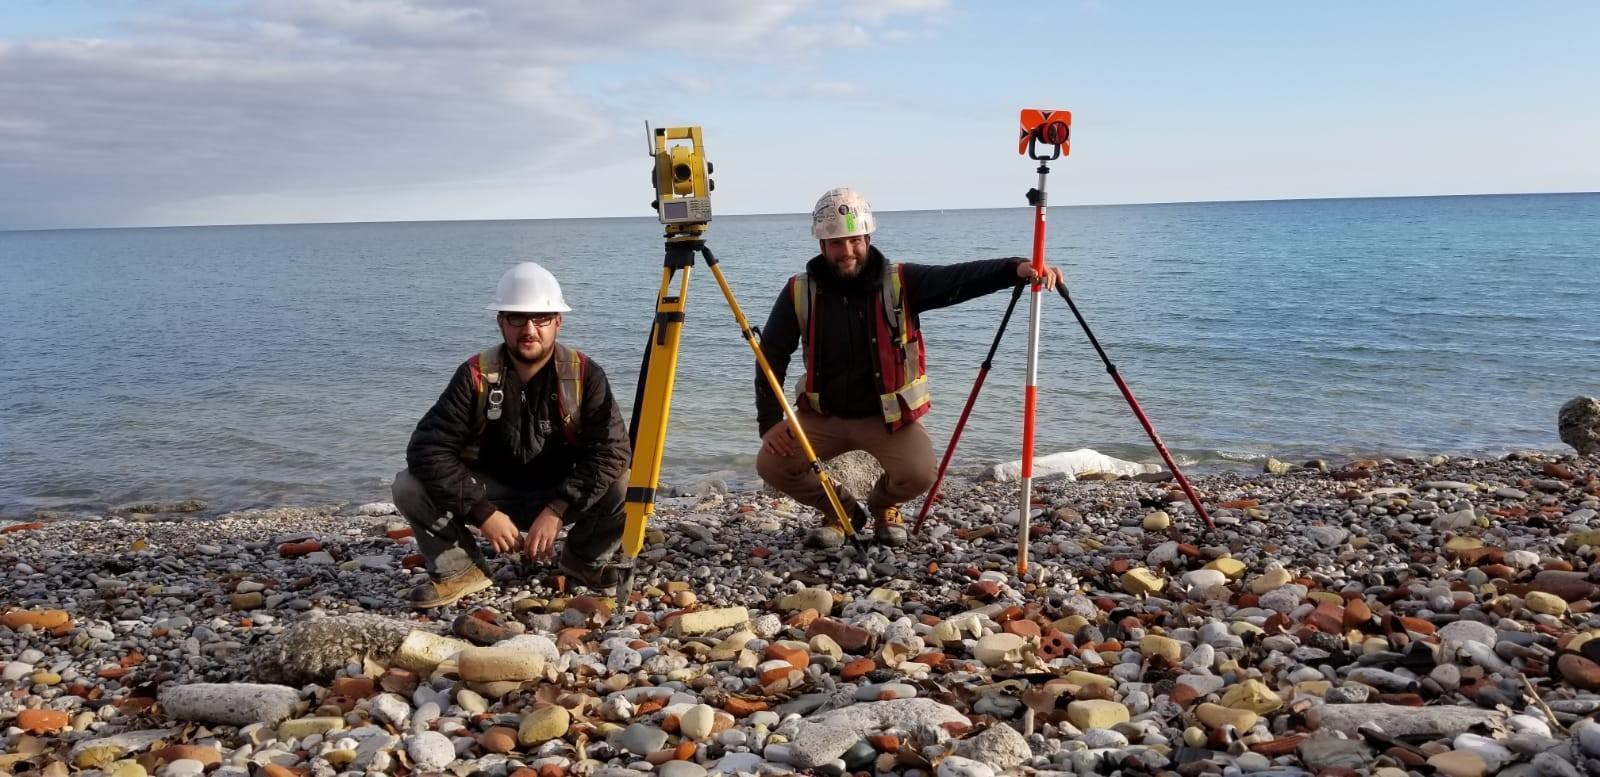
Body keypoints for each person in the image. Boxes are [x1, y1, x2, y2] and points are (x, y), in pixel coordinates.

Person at [755, 187, 1062, 549]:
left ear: (867, 239)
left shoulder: (900, 282)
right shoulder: (799, 291)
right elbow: (771, 355)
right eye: (837, 242)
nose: (847, 251)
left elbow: (957, 279)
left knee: (919, 474)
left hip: (887, 419)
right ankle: (841, 511)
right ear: (822, 245)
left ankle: (883, 505)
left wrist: (1016, 269)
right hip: (824, 417)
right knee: (772, 465)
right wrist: (770, 421)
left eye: (855, 240)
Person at [393, 262, 631, 608]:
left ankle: (583, 560)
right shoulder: (474, 376)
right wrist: (482, 513)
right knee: (408, 485)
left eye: (541, 319)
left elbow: (612, 451)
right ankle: (460, 570)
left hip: (560, 492)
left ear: (558, 322)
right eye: (517, 318)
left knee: (628, 482)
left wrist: (557, 509)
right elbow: (427, 449)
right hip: (492, 494)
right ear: (500, 321)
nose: (529, 330)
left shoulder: (584, 375)